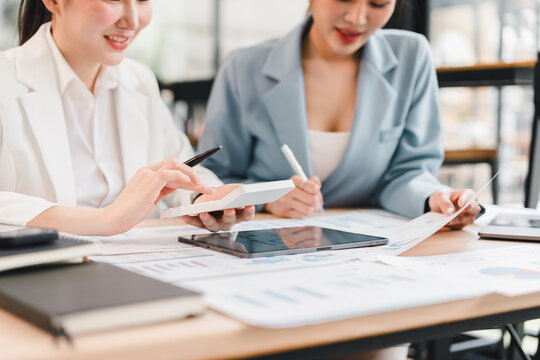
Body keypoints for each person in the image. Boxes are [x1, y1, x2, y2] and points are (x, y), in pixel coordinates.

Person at [199, 0, 481, 229]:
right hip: (268, 243)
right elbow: (215, 177)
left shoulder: (412, 56)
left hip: (371, 250)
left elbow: (408, 171)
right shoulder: (242, 67)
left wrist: (434, 198)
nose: (357, 17)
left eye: (378, 3)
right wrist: (268, 199)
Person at [0, 0, 254, 236]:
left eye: (142, 0)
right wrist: (103, 220)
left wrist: (203, 200)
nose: (132, 21)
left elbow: (182, 165)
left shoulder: (140, 81)